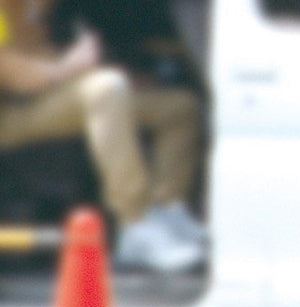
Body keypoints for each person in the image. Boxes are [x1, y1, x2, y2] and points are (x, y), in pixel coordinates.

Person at [0, 0, 205, 272]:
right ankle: (135, 221)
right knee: (106, 89)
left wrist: (112, 73)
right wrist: (70, 67)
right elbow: (15, 75)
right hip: (11, 112)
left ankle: (169, 210)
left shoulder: (39, 8)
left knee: (179, 108)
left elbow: (45, 54)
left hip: (45, 90)